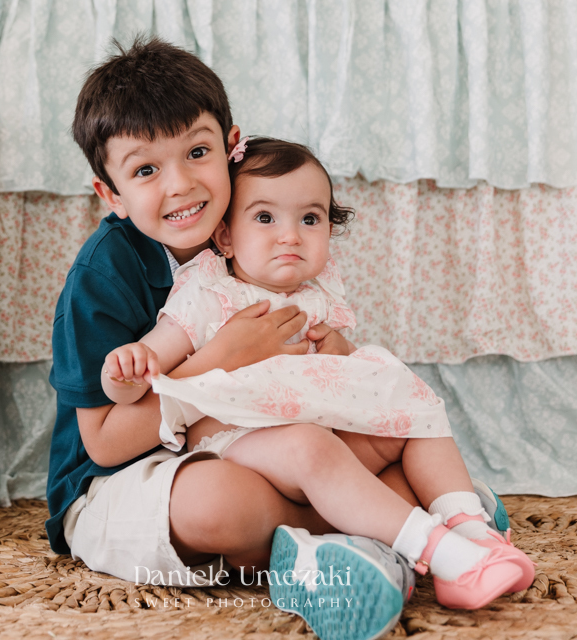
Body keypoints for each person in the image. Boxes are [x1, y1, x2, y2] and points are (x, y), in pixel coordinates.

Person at [47, 37, 418, 640]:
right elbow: (107, 444)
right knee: (217, 502)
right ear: (110, 193)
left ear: (231, 146)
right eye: (145, 170)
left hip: (258, 446)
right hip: (129, 478)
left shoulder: (265, 227)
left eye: (197, 152)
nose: (180, 185)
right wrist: (219, 361)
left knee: (390, 434)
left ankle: (392, 523)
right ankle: (375, 532)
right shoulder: (104, 274)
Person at [103, 135, 535, 611]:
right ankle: (438, 552)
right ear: (225, 236)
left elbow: (343, 376)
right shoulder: (209, 293)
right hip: (243, 445)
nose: (290, 235)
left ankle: (470, 526)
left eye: (310, 219)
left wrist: (341, 349)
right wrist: (125, 368)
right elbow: (150, 361)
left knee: (415, 412)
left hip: (323, 440)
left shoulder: (319, 293)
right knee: (309, 446)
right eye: (265, 218)